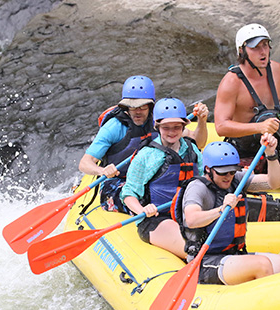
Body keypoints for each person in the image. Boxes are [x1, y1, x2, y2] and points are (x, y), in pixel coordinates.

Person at [177, 137, 280, 285]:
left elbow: (274, 183)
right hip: (206, 261)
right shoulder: (197, 188)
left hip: (235, 255)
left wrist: (271, 155)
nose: (228, 177)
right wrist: (221, 210)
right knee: (262, 265)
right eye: (223, 172)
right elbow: (192, 219)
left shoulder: (236, 180)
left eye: (232, 171)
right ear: (208, 169)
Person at [79, 75, 208, 211]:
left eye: (143, 106)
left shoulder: (161, 122)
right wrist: (102, 170)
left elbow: (198, 143)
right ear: (126, 107)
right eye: (133, 107)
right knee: (145, 200)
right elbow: (85, 163)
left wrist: (202, 121)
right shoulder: (114, 127)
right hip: (119, 180)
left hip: (149, 177)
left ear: (151, 106)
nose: (138, 112)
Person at [214, 23, 280, 192]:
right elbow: (221, 126)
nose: (263, 52)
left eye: (265, 45)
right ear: (242, 51)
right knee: (238, 186)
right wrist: (259, 127)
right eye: (255, 48)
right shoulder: (231, 83)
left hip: (278, 145)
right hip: (244, 151)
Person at [119, 97, 204, 259]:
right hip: (156, 219)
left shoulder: (192, 150)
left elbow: (202, 184)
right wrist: (142, 210)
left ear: (184, 126)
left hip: (187, 214)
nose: (171, 132)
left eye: (176, 127)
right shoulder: (146, 155)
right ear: (157, 126)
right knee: (194, 249)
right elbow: (128, 193)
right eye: (166, 128)